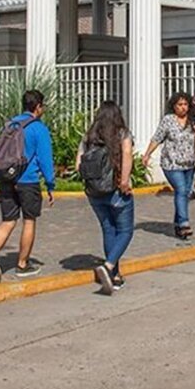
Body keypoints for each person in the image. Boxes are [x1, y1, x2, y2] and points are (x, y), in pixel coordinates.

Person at [0, 90, 55, 282]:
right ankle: (22, 264)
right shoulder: (38, 128)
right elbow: (45, 160)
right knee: (29, 220)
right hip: (28, 180)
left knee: (8, 220)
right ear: (38, 107)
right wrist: (50, 184)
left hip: (7, 178)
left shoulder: (11, 124)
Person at [76, 101, 134, 295]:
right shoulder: (122, 133)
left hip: (94, 192)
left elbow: (78, 165)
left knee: (108, 229)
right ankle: (109, 267)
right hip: (117, 190)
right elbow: (127, 154)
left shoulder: (89, 136)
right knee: (125, 231)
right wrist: (124, 181)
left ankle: (114, 277)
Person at [142, 92, 195, 240]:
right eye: (179, 105)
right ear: (173, 106)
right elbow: (157, 138)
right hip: (171, 163)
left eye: (185, 104)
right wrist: (147, 154)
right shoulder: (168, 120)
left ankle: (178, 225)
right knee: (180, 190)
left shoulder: (193, 119)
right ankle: (184, 223)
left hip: (189, 163)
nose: (183, 108)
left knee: (185, 193)